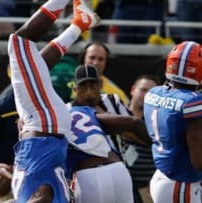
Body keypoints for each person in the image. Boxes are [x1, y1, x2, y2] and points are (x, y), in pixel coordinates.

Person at [7, 0, 100, 201]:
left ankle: (80, 24)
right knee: (18, 42)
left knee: (38, 61)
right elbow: (41, 198)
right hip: (44, 127)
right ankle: (77, 20)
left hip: (47, 130)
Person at [67, 65, 150, 203]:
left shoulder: (112, 101)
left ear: (100, 85)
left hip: (119, 167)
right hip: (88, 175)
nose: (89, 93)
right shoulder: (67, 110)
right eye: (83, 87)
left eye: (93, 86)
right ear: (75, 89)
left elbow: (135, 129)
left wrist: (111, 122)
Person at [143, 41, 202, 203]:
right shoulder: (193, 103)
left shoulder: (153, 92)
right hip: (181, 183)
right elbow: (199, 160)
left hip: (162, 176)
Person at [100, 74, 159, 203]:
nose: (147, 95)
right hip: (117, 187)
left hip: (146, 190)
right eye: (143, 90)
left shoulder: (158, 122)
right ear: (133, 90)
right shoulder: (114, 113)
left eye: (152, 92)